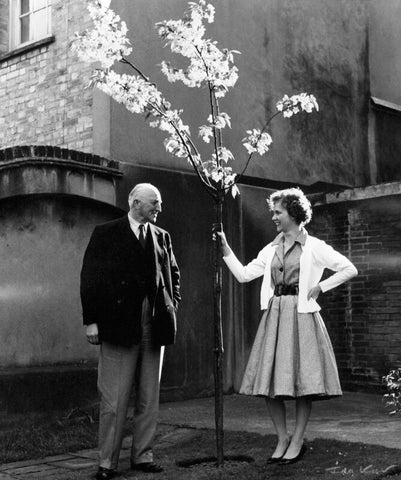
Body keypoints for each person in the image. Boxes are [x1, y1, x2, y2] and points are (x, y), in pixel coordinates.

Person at [215, 187, 357, 465]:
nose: (274, 217)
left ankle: (298, 439)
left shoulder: (314, 246)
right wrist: (225, 249)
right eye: (273, 212)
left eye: (278, 212)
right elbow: (244, 275)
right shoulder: (271, 249)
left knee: (304, 382)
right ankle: (282, 438)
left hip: (302, 316)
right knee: (270, 382)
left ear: (293, 212)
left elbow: (348, 268)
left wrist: (320, 287)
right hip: (275, 316)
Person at [80, 183, 180, 480]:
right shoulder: (106, 233)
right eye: (155, 203)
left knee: (149, 396)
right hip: (118, 325)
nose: (159, 209)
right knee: (115, 399)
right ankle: (107, 463)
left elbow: (174, 274)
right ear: (136, 203)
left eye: (158, 204)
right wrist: (91, 321)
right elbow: (90, 278)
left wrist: (171, 306)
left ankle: (143, 456)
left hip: (155, 325)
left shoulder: (162, 236)